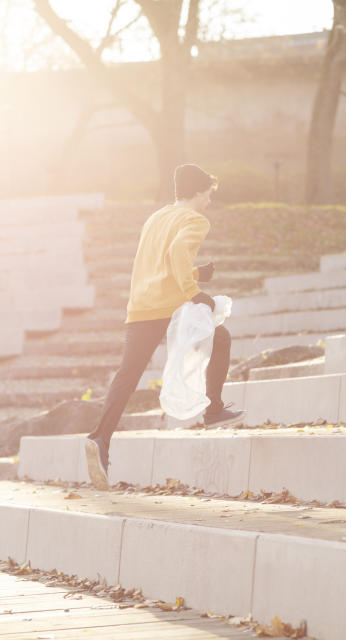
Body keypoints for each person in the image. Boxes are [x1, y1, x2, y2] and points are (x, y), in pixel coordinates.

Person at [84, 164, 244, 490]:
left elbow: (159, 261)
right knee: (222, 338)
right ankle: (213, 409)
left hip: (142, 306)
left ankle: (100, 438)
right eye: (209, 195)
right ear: (199, 192)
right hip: (172, 307)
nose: (209, 202)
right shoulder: (195, 220)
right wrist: (195, 293)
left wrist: (197, 274)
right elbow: (177, 252)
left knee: (127, 375)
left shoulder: (156, 218)